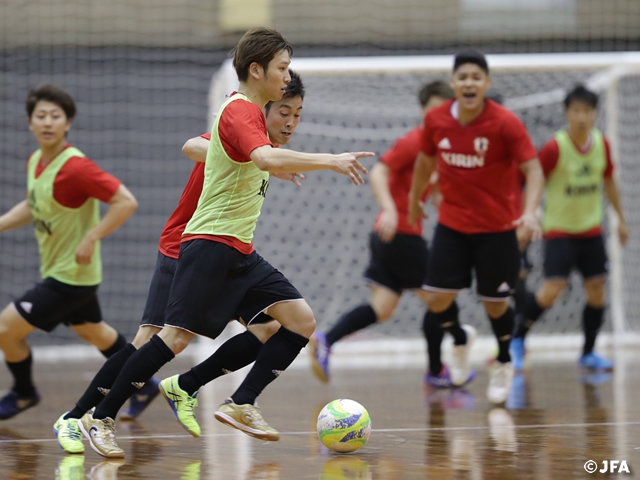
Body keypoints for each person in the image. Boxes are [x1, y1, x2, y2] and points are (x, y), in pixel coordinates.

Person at [77, 26, 372, 459]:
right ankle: (100, 416)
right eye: (282, 69)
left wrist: (277, 166)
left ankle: (241, 402)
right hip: (209, 244)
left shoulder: (252, 116)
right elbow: (259, 155)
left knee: (298, 321)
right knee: (171, 340)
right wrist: (329, 159)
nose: (287, 78)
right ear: (257, 70)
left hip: (239, 250)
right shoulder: (239, 111)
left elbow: (259, 157)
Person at [52, 70, 305, 454]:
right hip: (186, 243)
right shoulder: (243, 130)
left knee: (270, 327)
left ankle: (192, 388)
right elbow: (191, 145)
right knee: (153, 340)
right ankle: (79, 416)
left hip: (227, 252)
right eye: (284, 110)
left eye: (298, 114)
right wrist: (245, 158)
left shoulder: (266, 149)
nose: (290, 121)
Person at [308, 81, 476, 389]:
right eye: (435, 108)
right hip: (400, 235)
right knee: (439, 299)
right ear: (424, 110)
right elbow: (381, 172)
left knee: (382, 308)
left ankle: (326, 340)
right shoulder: (415, 141)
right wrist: (390, 209)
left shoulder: (437, 149)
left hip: (390, 239)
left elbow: (433, 191)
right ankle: (441, 366)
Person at [407, 49, 544, 405]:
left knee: (496, 305)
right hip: (452, 224)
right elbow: (424, 161)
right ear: (454, 83)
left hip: (497, 228)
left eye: (476, 77)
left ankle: (502, 361)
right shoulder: (437, 120)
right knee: (437, 299)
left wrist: (529, 212)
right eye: (463, 77)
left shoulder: (505, 123)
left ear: (486, 83)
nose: (469, 83)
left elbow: (533, 170)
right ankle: (460, 338)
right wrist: (414, 201)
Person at [0, 85, 137, 421]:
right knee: (94, 332)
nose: (48, 122)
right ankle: (143, 383)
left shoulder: (76, 168)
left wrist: (92, 236)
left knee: (5, 329)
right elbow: (35, 205)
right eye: (41, 116)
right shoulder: (36, 161)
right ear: (30, 123)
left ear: (68, 123)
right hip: (63, 271)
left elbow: (126, 201)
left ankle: (23, 393)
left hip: (71, 276)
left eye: (55, 116)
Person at [510, 85, 628, 371]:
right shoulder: (555, 147)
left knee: (597, 288)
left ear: (594, 113)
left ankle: (588, 352)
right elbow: (535, 178)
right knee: (552, 288)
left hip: (591, 231)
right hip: (559, 231)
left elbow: (609, 181)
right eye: (576, 111)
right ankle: (517, 340)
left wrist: (621, 218)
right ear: (567, 113)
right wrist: (529, 215)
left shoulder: (602, 144)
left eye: (587, 110)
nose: (582, 117)